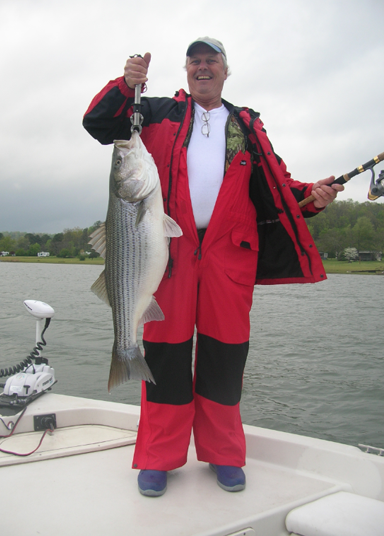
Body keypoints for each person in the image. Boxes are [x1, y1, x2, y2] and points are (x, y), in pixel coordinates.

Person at [83, 37, 343, 497]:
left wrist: (314, 195)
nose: (203, 68)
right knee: (164, 355)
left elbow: (280, 188)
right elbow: (100, 123)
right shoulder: (157, 112)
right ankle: (159, 457)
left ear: (226, 70)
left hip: (230, 255)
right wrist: (126, 84)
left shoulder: (247, 125)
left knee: (225, 358)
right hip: (167, 254)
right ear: (185, 71)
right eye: (195, 62)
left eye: (212, 61)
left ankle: (224, 454)